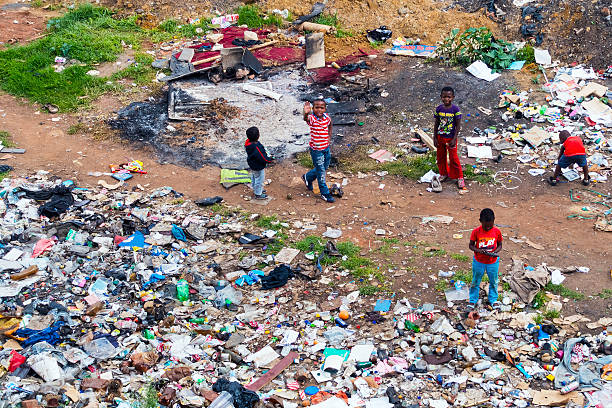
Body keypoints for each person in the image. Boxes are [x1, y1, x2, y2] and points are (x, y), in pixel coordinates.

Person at [468, 208, 503, 310]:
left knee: (494, 281)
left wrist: (495, 252)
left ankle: (493, 300)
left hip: (492, 262)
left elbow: (500, 245)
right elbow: (471, 245)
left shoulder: (497, 231)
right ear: (480, 221)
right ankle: (472, 300)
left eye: (490, 225)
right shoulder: (476, 232)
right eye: (485, 225)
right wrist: (478, 250)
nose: (488, 228)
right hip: (479, 261)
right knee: (475, 280)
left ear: (494, 221)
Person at [302, 98, 335, 203]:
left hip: (326, 148)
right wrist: (306, 113)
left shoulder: (327, 118)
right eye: (316, 107)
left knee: (324, 167)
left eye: (322, 107)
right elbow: (306, 119)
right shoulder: (312, 118)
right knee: (321, 172)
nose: (319, 110)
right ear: (313, 108)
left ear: (325, 109)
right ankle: (325, 193)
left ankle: (308, 177)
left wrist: (329, 136)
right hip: (316, 150)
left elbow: (330, 125)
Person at [434, 86, 465, 189]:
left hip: (451, 138)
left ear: (453, 97)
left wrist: (454, 138)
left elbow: (458, 125)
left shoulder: (455, 109)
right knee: (440, 157)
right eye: (444, 97)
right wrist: (435, 137)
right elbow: (436, 123)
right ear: (441, 97)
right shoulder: (439, 109)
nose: (446, 99)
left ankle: (460, 177)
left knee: (453, 158)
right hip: (440, 137)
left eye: (449, 97)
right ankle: (444, 174)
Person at [244, 126, 273, 199]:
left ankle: (255, 188)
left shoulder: (249, 144)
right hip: (258, 166)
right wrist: (269, 159)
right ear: (258, 136)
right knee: (259, 180)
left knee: (254, 177)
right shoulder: (256, 147)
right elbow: (262, 157)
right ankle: (258, 194)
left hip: (252, 164)